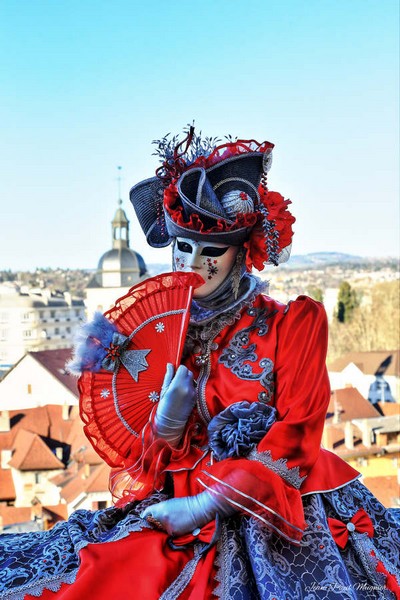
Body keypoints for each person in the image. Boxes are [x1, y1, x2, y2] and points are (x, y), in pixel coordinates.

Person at [0, 128, 399, 599]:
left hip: (275, 508)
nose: (193, 264)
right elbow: (141, 457)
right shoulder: (163, 335)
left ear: (241, 253)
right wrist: (165, 427)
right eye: (182, 248)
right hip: (172, 505)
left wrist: (206, 505)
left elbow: (299, 432)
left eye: (211, 252)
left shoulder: (293, 325)